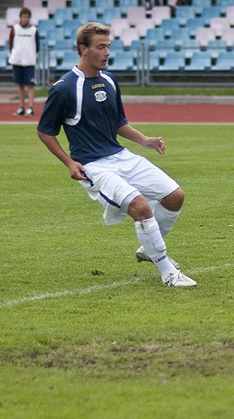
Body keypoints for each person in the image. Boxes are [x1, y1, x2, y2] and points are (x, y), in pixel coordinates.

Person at [36, 22, 196, 287]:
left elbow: (118, 122)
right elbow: (45, 131)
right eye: (101, 47)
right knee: (141, 207)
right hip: (93, 166)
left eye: (108, 46)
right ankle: (168, 272)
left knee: (175, 195)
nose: (107, 52)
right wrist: (68, 162)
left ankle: (149, 249)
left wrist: (144, 140)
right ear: (83, 49)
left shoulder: (109, 80)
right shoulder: (64, 88)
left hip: (121, 155)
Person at [9, 7, 38, 117]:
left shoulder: (34, 30)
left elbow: (37, 46)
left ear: (29, 18)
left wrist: (32, 55)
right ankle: (21, 107)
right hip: (17, 60)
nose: (25, 19)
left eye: (27, 17)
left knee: (30, 85)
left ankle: (30, 108)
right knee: (20, 85)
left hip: (29, 61)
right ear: (20, 18)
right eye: (23, 17)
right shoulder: (15, 29)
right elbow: (12, 44)